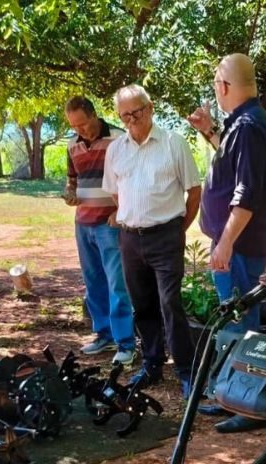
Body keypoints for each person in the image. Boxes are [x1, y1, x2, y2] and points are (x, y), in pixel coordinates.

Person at [187, 53, 266, 434]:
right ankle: (232, 397)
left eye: (215, 85)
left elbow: (246, 193)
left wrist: (225, 243)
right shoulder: (246, 123)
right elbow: (232, 160)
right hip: (235, 244)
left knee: (244, 326)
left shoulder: (249, 126)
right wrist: (210, 131)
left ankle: (251, 406)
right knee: (236, 321)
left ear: (223, 86)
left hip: (239, 246)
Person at [102, 84, 202, 397]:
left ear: (151, 108)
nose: (131, 119)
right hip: (130, 239)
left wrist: (178, 229)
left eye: (137, 112)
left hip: (166, 236)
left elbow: (194, 191)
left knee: (170, 303)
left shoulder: (173, 143)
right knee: (142, 304)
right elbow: (116, 193)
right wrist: (132, 216)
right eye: (125, 115)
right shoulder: (116, 149)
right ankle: (152, 364)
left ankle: (186, 370)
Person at [63, 96, 136, 367]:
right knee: (93, 281)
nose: (80, 130)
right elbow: (72, 180)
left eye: (82, 124)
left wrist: (120, 212)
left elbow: (131, 181)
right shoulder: (72, 145)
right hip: (83, 223)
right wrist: (70, 193)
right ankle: (104, 334)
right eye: (74, 126)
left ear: (94, 115)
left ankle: (125, 342)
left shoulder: (119, 139)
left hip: (110, 224)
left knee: (117, 283)